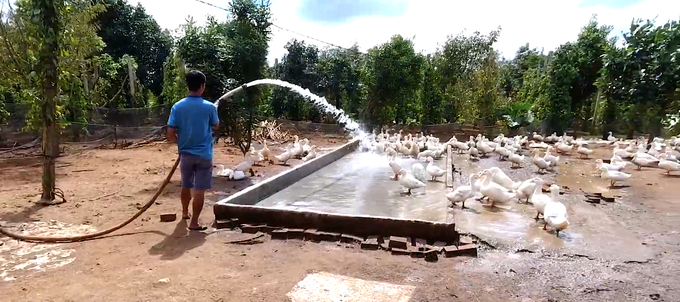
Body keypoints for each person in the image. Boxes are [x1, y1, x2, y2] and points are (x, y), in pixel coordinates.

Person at [167, 70, 219, 231]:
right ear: (202, 86)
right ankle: (194, 222)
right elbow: (216, 125)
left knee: (186, 185)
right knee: (199, 190)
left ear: (188, 85)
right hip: (204, 155)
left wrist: (181, 145)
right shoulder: (209, 107)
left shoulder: (178, 106)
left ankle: (184, 213)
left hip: (186, 154)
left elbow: (170, 133)